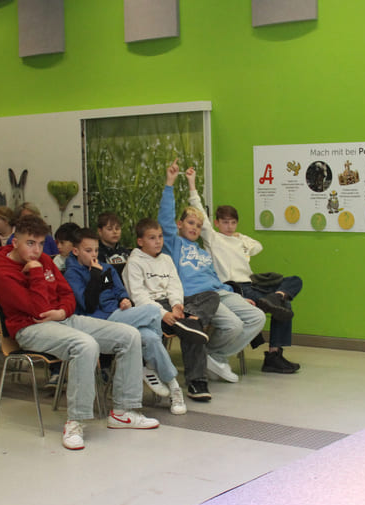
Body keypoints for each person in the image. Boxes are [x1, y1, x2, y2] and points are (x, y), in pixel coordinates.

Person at [0, 214, 159, 451]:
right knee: (85, 345)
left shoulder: (45, 261)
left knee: (128, 335)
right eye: (31, 243)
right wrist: (37, 272)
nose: (37, 250)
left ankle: (123, 411)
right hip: (29, 328)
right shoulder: (3, 272)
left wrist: (61, 312)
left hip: (63, 320)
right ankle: (75, 421)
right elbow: (37, 310)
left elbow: (67, 295)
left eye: (41, 243)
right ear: (14, 242)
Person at [160, 164, 265, 386]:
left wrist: (233, 293)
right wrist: (169, 184)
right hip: (198, 297)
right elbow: (165, 221)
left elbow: (213, 279)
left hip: (219, 291)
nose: (195, 228)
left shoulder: (202, 251)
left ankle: (213, 355)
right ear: (179, 225)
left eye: (198, 226)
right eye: (190, 223)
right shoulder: (173, 244)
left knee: (258, 317)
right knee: (234, 325)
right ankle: (213, 357)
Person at [65, 228, 187, 415]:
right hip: (98, 322)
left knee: (150, 339)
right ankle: (149, 364)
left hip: (117, 313)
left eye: (96, 250)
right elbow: (87, 304)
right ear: (76, 251)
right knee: (153, 310)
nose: (94, 255)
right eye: (88, 251)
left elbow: (115, 289)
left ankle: (173, 386)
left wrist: (124, 299)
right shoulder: (73, 274)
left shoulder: (105, 269)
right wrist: (95, 276)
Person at [200, 201, 302, 374]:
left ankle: (276, 296)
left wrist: (242, 239)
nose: (230, 227)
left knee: (295, 281)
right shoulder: (212, 238)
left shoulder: (239, 239)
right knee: (284, 305)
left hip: (252, 283)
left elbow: (258, 247)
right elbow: (200, 213)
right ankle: (273, 356)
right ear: (216, 223)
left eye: (233, 222)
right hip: (235, 287)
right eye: (225, 222)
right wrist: (192, 185)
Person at [123, 218, 214, 401]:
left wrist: (177, 305)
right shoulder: (134, 263)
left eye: (160, 237)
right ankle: (197, 381)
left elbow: (175, 285)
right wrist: (164, 314)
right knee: (192, 331)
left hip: (172, 304)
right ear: (140, 241)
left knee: (211, 296)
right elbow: (139, 297)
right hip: (152, 308)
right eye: (152, 238)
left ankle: (190, 318)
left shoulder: (166, 259)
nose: (158, 241)